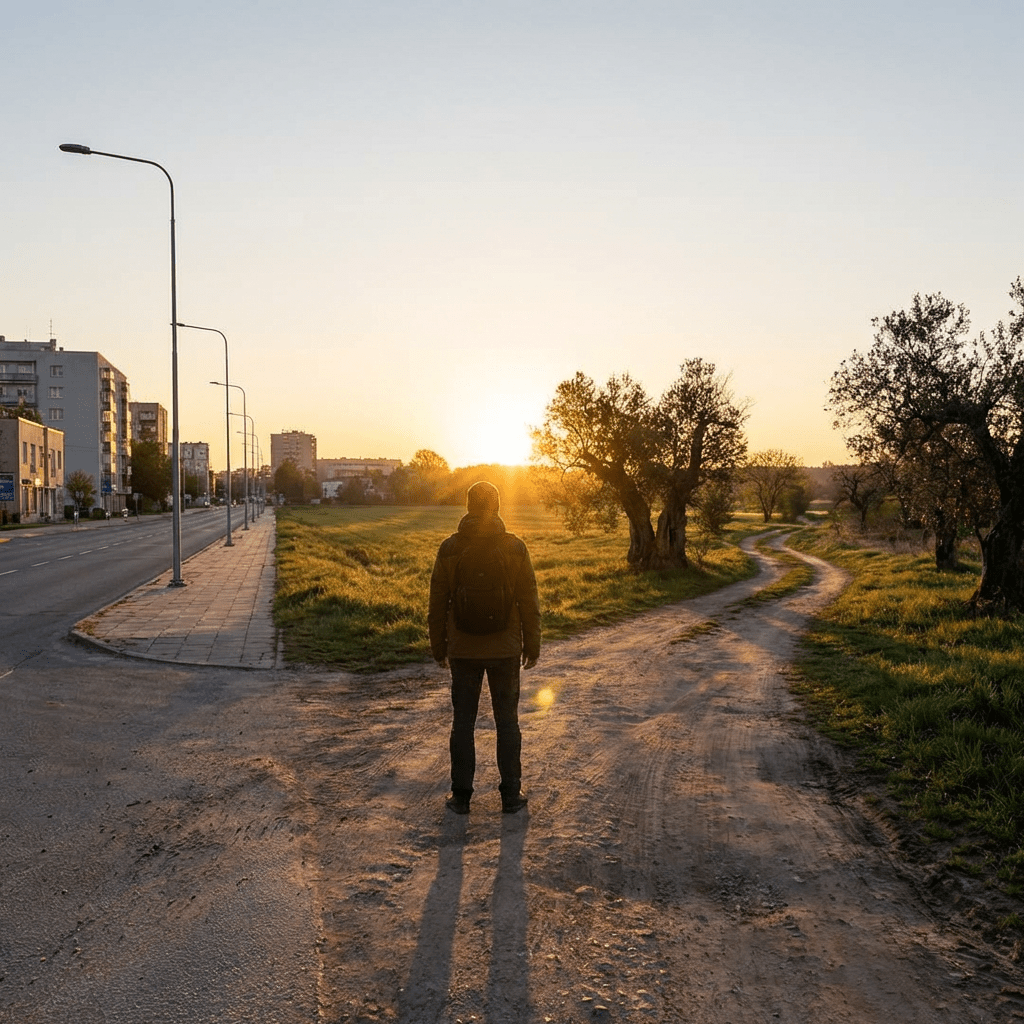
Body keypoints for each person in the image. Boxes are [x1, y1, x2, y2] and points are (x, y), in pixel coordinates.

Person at [428, 481, 541, 815]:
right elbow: (528, 599)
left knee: (462, 724)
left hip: (463, 650)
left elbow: (438, 601)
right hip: (505, 651)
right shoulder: (515, 547)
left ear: (467, 506)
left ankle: (461, 797)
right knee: (508, 723)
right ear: (498, 505)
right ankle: (510, 795)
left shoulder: (449, 548)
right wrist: (531, 643)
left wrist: (439, 646)